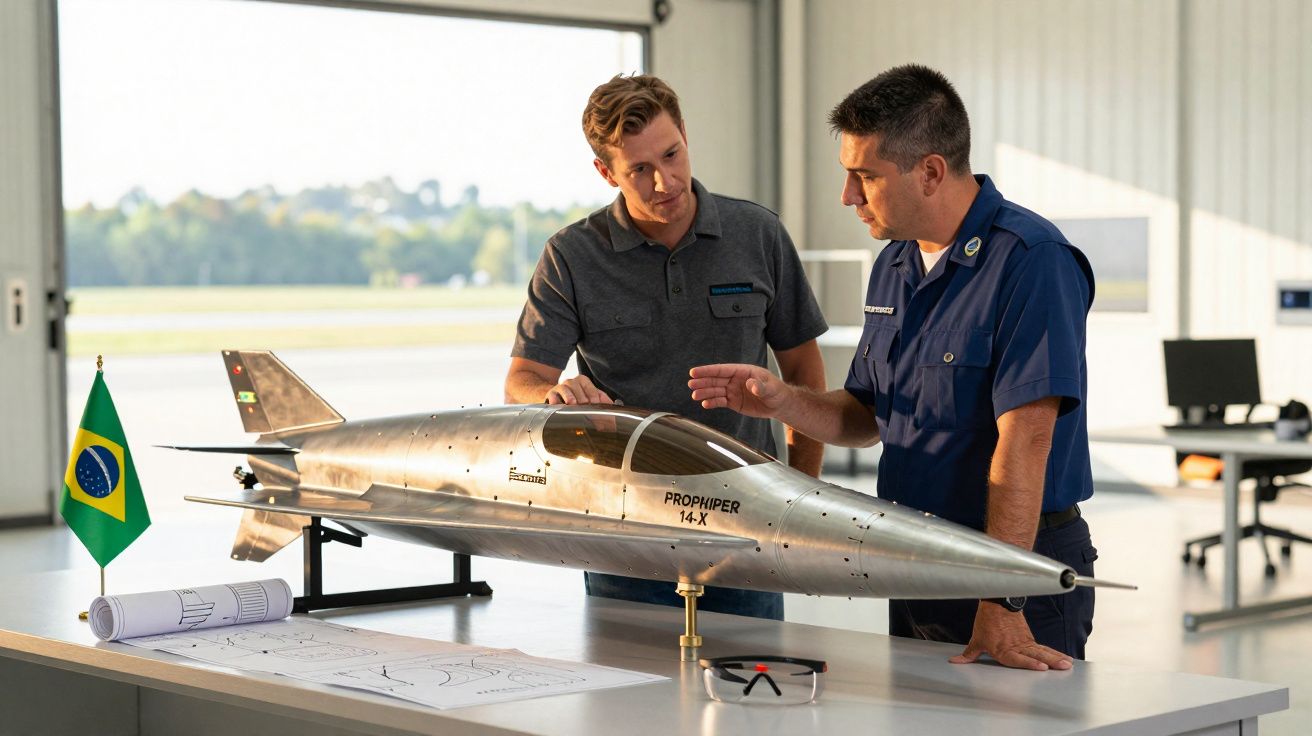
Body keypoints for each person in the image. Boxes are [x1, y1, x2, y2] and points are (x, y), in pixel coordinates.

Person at [688, 64, 1097, 669]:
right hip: (915, 558)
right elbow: (867, 417)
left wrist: (1003, 598)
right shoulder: (895, 265)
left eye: (865, 177)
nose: (848, 197)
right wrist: (782, 401)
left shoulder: (1033, 262)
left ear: (930, 171)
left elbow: (1027, 440)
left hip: (1015, 571)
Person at [505, 74, 829, 620]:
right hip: (623, 525)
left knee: (750, 692)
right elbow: (521, 380)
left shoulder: (759, 235)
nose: (665, 181)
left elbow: (803, 372)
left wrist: (799, 498)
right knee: (630, 695)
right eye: (639, 170)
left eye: (672, 154)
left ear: (684, 133)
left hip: (746, 520)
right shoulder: (571, 256)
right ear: (606, 172)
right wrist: (555, 392)